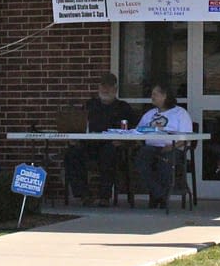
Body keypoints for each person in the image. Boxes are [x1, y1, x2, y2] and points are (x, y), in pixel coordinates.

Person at [64, 73, 136, 206]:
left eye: (109, 87)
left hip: (113, 147)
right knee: (71, 153)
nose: (105, 90)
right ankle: (83, 194)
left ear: (115, 89)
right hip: (89, 145)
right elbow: (79, 124)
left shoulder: (123, 107)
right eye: (103, 86)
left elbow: (133, 130)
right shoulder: (90, 105)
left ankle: (105, 196)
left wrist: (123, 141)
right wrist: (75, 138)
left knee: (109, 153)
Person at [134, 82, 193, 208]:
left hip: (173, 148)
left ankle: (158, 197)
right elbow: (137, 132)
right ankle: (160, 194)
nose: (152, 97)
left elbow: (187, 138)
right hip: (151, 147)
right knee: (140, 159)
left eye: (155, 94)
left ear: (164, 96)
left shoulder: (180, 113)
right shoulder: (149, 114)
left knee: (164, 161)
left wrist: (172, 146)